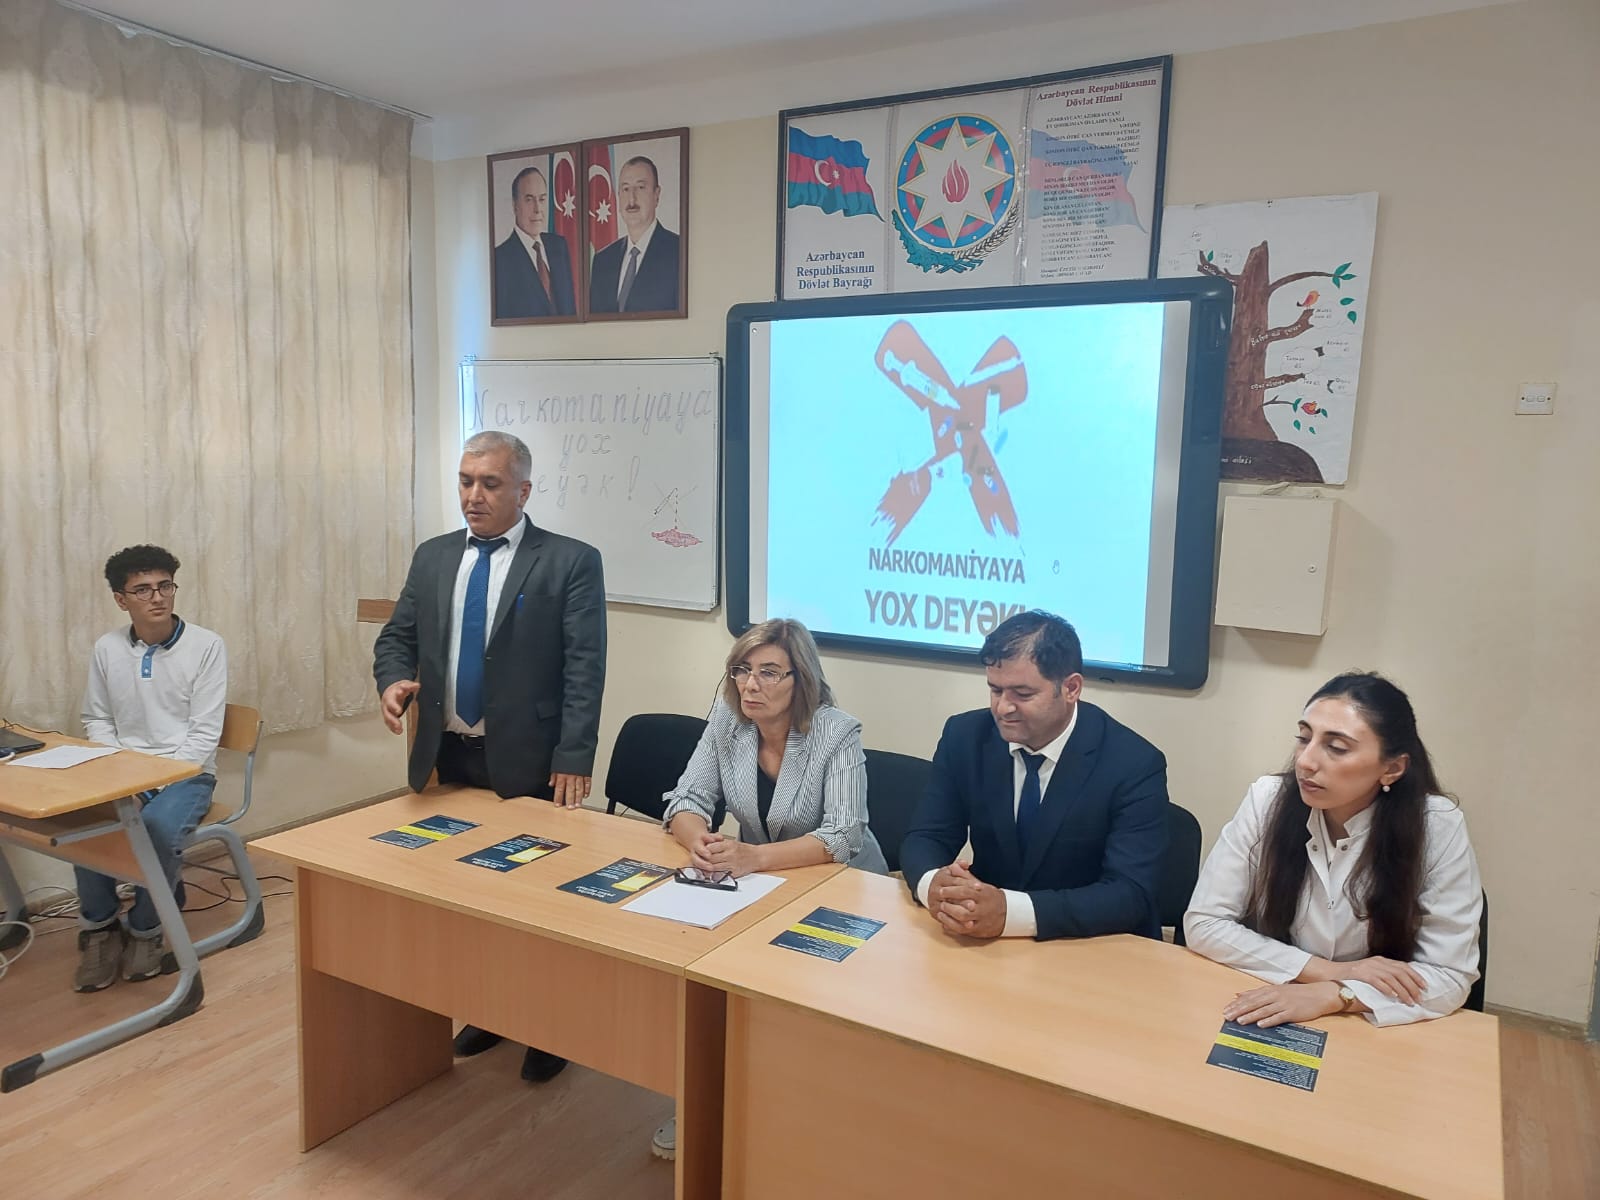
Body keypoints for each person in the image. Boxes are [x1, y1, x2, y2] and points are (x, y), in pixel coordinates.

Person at [373, 429, 606, 1082]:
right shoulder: (434, 556)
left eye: (490, 484)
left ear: (523, 491)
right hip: (449, 756)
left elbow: (585, 668)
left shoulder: (569, 561)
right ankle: (492, 1009)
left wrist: (575, 755)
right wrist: (392, 680)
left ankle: (550, 1026)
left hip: (532, 760)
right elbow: (397, 638)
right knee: (468, 894)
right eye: (466, 481)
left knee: (536, 899)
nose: (473, 495)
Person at [651, 618, 884, 1158]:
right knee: (721, 987)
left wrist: (752, 857)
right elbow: (687, 798)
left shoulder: (836, 732)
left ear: (801, 679)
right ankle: (710, 1101)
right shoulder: (727, 721)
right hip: (761, 882)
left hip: (842, 886)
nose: (750, 685)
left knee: (809, 1009)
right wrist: (699, 841)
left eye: (769, 672)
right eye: (742, 670)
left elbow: (842, 835)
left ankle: (809, 1115)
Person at [1183, 672, 1482, 1028]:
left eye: (1336, 747)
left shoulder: (1436, 825)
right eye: (1303, 738)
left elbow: (1449, 975)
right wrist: (1331, 972)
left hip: (1371, 1021)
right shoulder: (1268, 799)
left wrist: (1337, 994)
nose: (1305, 762)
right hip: (1272, 995)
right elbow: (1204, 923)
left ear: (1392, 768)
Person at [899, 610, 1169, 941]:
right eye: (995, 690)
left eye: (1022, 694)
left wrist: (1011, 913)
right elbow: (927, 836)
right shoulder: (965, 736)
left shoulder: (1133, 763)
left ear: (1071, 688)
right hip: (985, 943)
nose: (1003, 708)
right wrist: (933, 886)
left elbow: (1129, 893)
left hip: (1089, 945)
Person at [73, 545, 227, 992]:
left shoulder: (206, 646)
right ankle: (100, 928)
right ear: (121, 600)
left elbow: (204, 733)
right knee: (86, 823)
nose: (157, 597)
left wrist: (153, 785)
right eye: (142, 590)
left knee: (156, 827)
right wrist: (123, 775)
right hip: (125, 771)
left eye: (165, 586)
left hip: (189, 774)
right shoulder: (107, 647)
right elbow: (97, 718)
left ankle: (145, 929)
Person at [588, 155, 681, 314]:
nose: (631, 199)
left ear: (656, 195)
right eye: (625, 189)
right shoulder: (602, 260)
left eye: (640, 187)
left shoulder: (678, 251)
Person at [493, 166, 577, 319]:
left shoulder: (559, 246)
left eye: (542, 199)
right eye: (529, 200)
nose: (537, 209)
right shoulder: (500, 259)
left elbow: (570, 309)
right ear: (515, 205)